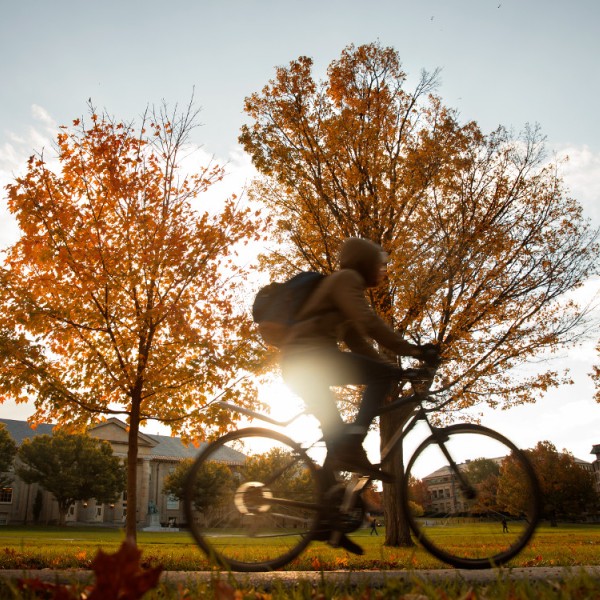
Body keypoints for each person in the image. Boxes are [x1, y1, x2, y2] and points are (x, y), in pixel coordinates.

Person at [281, 237, 439, 483]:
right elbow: (369, 323)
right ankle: (355, 442)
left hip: (300, 367)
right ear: (364, 263)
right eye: (378, 264)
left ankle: (328, 506)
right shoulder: (347, 279)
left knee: (338, 444)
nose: (381, 270)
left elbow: (358, 342)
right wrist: (413, 351)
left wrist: (392, 370)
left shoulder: (340, 287)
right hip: (310, 361)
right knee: (348, 441)